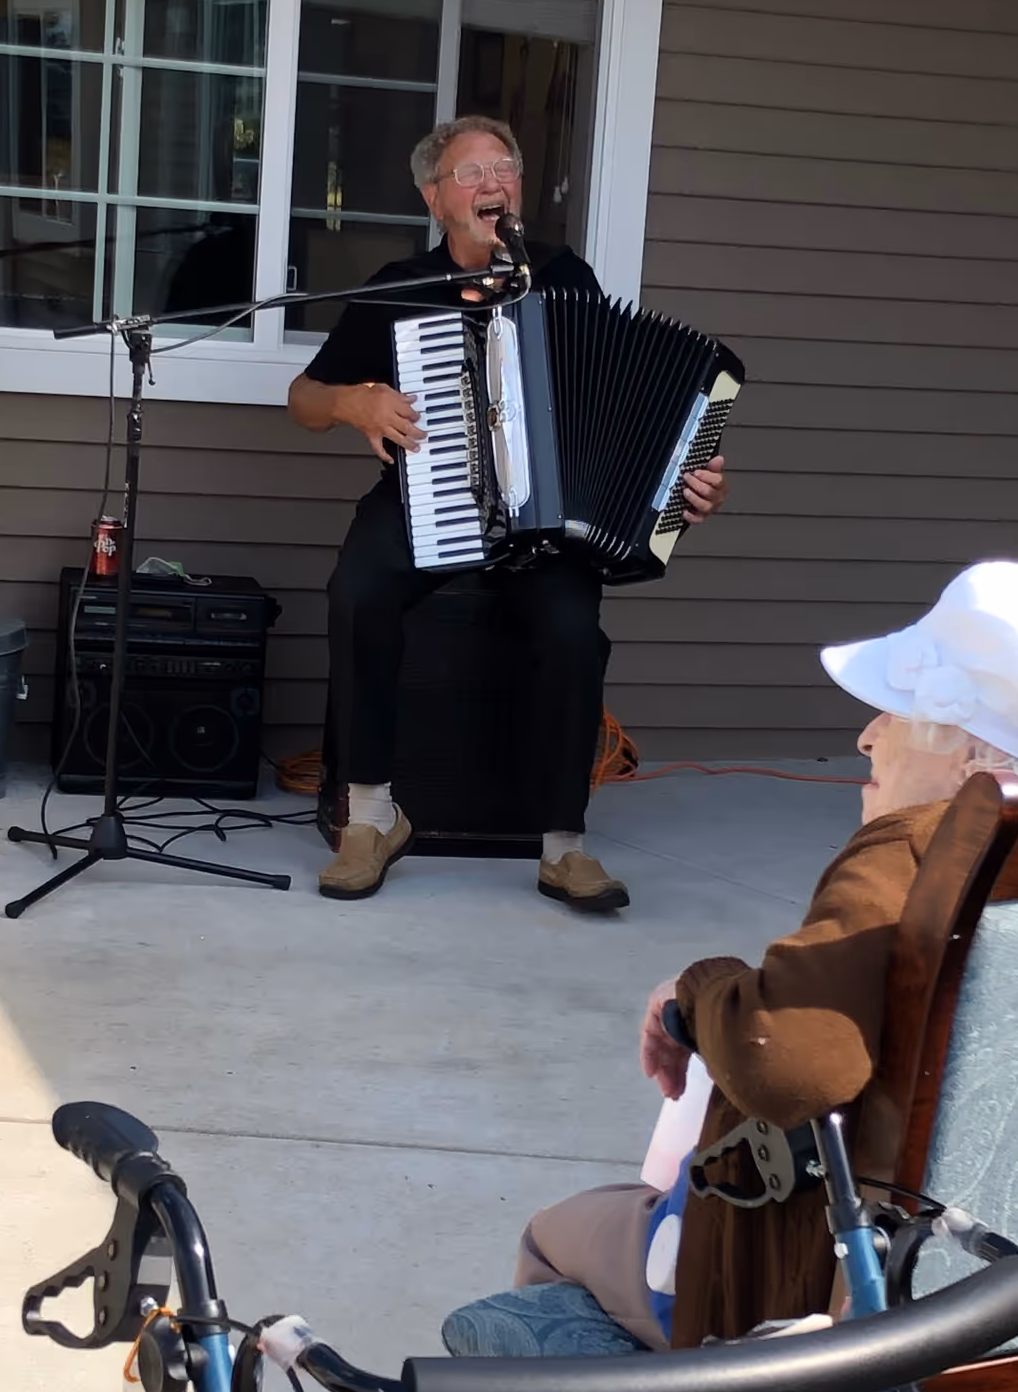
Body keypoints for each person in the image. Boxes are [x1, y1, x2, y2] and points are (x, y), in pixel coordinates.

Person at [442, 560, 1018, 1371]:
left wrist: (694, 994)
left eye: (896, 712)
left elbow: (790, 1061)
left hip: (823, 1297)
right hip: (1014, 1298)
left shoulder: (915, 850)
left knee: (557, 1235)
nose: (866, 735)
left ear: (975, 760)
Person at [286, 115, 727, 910]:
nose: (493, 183)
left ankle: (563, 845)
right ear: (434, 198)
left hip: (548, 521)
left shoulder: (565, 278)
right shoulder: (399, 286)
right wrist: (355, 401)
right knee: (359, 591)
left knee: (570, 629)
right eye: (471, 173)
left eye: (506, 168)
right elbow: (304, 399)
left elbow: (626, 409)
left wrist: (683, 479)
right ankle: (372, 817)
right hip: (430, 496)